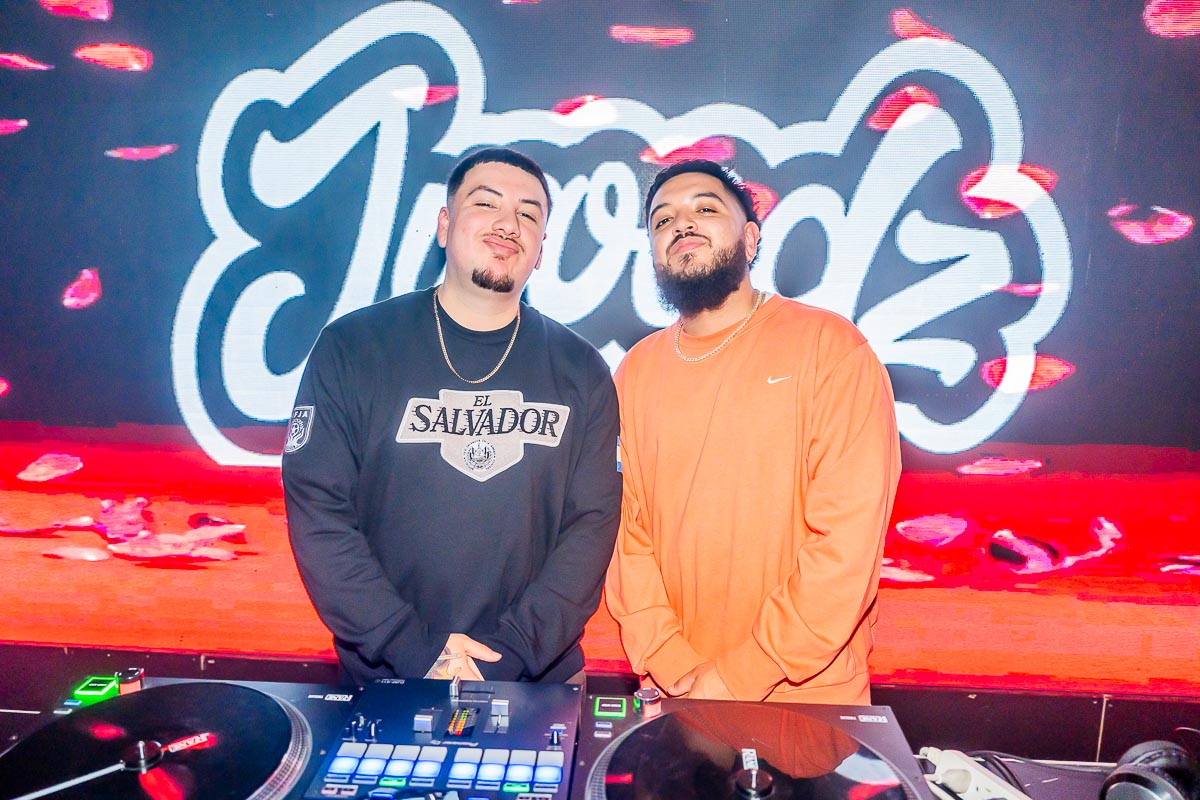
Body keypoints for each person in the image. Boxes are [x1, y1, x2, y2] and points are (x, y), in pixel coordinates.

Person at [283, 148, 621, 686]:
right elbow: (319, 513)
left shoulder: (582, 369)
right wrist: (413, 649)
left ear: (541, 249)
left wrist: (508, 655)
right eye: (486, 203)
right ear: (444, 225)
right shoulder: (352, 347)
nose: (508, 224)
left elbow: (593, 527)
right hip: (384, 678)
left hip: (538, 681)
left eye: (529, 214)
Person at [605, 159, 901, 704]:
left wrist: (738, 676)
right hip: (675, 692)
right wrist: (673, 663)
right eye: (662, 220)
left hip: (805, 701)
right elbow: (626, 536)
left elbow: (847, 542)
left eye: (705, 208)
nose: (681, 223)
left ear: (750, 238)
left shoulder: (831, 349)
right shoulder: (635, 372)